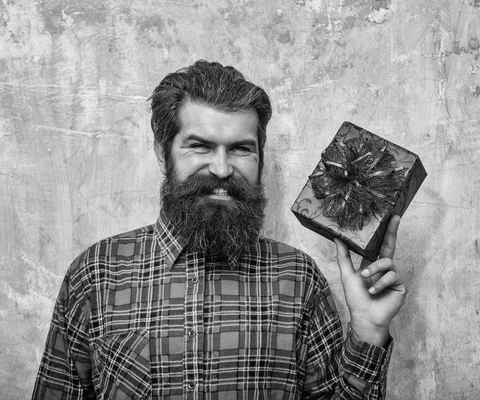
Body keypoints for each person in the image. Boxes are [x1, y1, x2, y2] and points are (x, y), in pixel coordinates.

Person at [32, 60, 406, 399]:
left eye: (241, 149)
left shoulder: (299, 279)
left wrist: (369, 331)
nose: (223, 169)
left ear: (260, 157)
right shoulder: (96, 274)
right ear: (163, 154)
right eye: (200, 146)